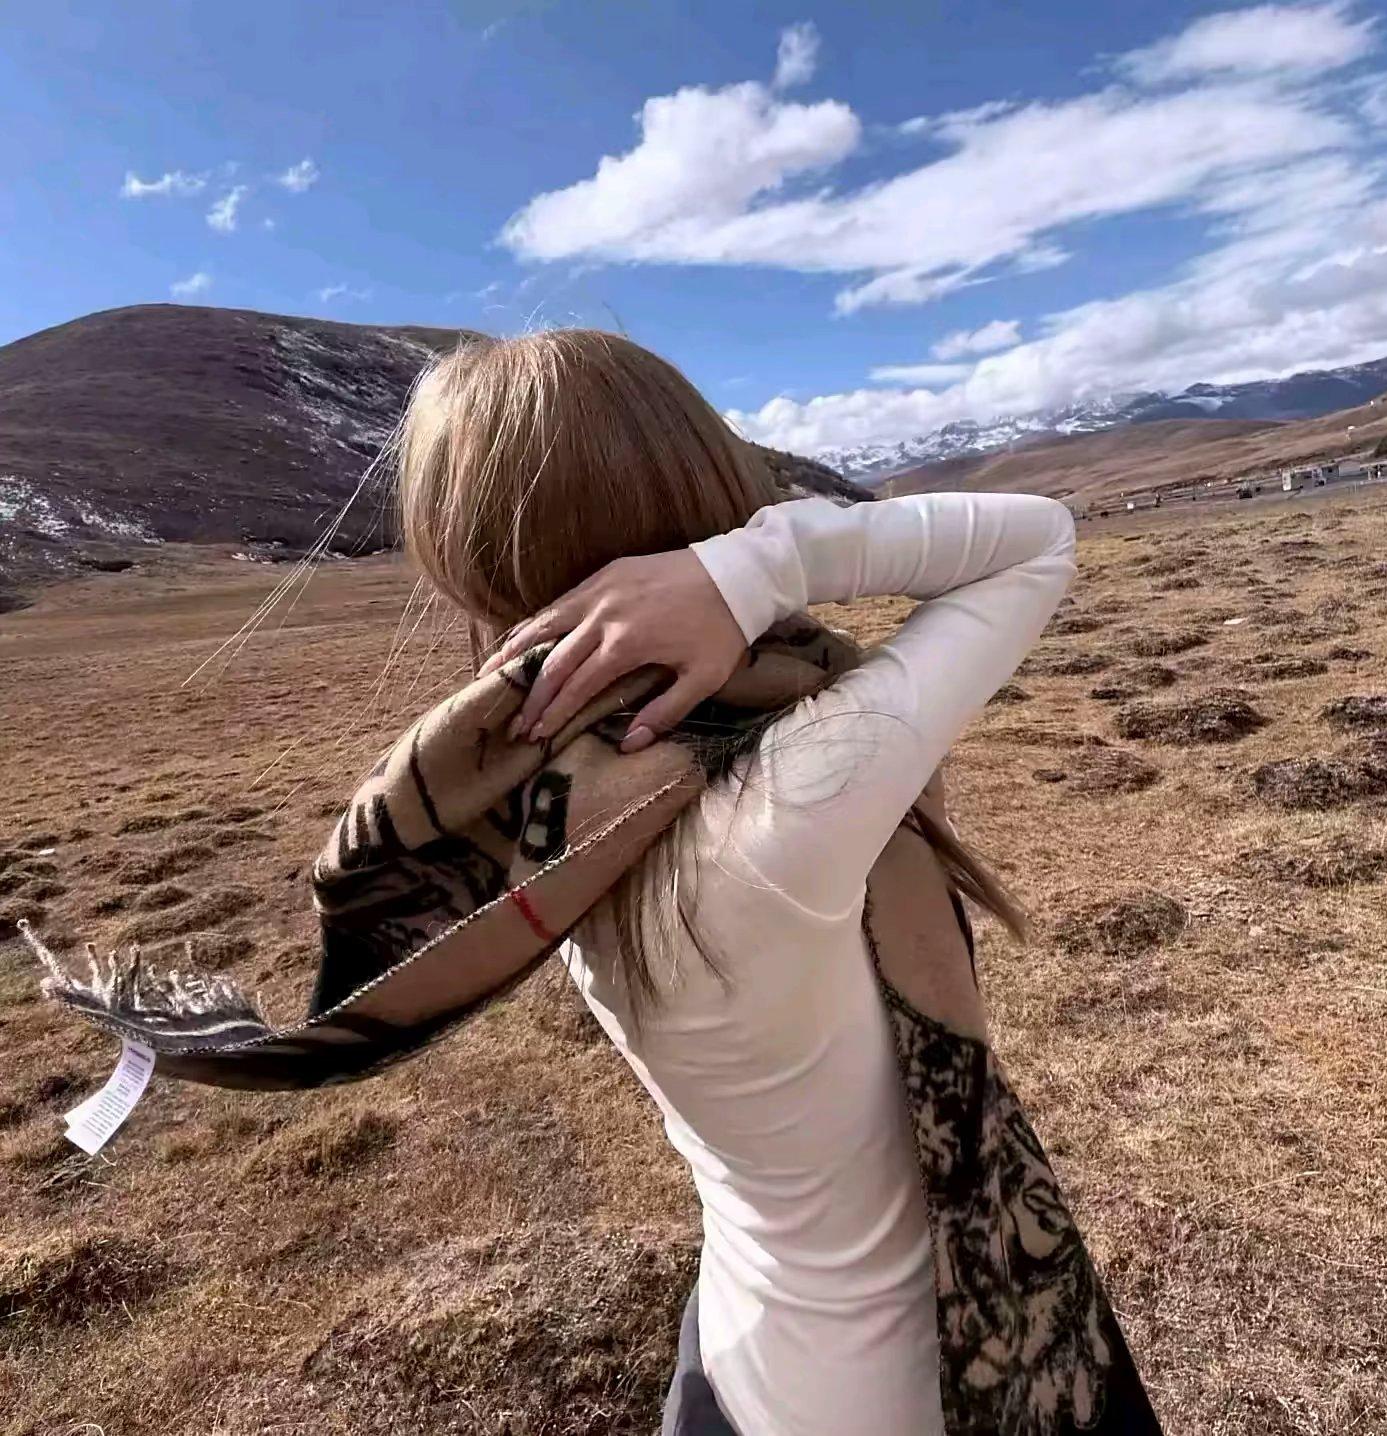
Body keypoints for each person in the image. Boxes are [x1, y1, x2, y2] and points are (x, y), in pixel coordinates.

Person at [397, 330, 1158, 1434]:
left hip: (739, 1346)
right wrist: (752, 573)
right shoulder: (797, 790)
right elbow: (1036, 541)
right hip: (925, 1382)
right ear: (709, 491)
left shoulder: (550, 802)